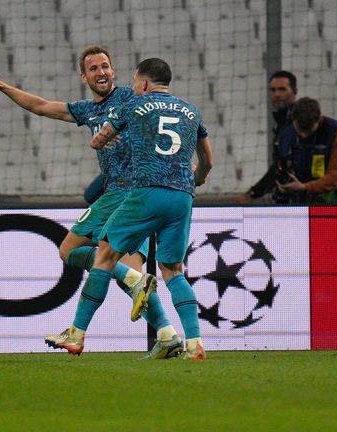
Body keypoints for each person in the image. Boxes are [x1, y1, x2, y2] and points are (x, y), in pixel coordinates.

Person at [0, 46, 183, 359]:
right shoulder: (87, 110)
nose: (101, 72)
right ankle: (166, 334)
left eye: (105, 66)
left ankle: (146, 327)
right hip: (114, 194)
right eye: (94, 68)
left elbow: (164, 119)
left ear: (113, 71)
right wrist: (3, 86)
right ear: (83, 76)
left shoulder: (132, 98)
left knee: (118, 268)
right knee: (80, 255)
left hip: (135, 194)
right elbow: (43, 106)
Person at [91, 57, 213, 360]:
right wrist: (196, 178)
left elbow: (100, 140)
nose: (134, 88)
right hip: (183, 194)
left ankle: (78, 331)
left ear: (143, 83)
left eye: (135, 83)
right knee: (174, 270)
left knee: (104, 253)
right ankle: (195, 343)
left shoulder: (135, 107)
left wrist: (103, 138)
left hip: (145, 192)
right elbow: (208, 162)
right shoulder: (192, 111)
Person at [275, 97, 337, 204]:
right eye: (300, 130)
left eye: (308, 130)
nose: (303, 135)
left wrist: (304, 187)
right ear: (293, 119)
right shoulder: (287, 133)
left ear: (319, 119)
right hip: (304, 199)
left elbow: (335, 177)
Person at [236, 70, 298, 204]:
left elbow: (281, 165)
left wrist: (253, 193)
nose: (277, 94)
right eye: (273, 90)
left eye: (282, 89)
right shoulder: (282, 122)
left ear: (294, 91)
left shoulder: (297, 123)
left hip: (301, 200)